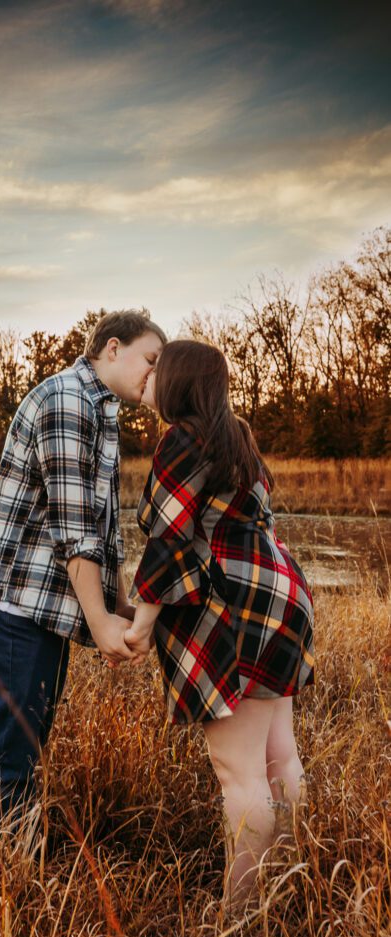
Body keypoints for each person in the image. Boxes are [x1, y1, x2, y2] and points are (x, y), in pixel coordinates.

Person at [123, 339, 314, 908]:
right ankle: (297, 881)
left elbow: (169, 541)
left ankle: (241, 915)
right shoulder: (238, 436)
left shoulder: (183, 438)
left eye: (158, 367)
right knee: (280, 755)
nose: (149, 375)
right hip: (282, 597)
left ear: (178, 381)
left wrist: (139, 626)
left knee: (239, 773)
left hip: (237, 610)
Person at [0, 310, 167, 828]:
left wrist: (119, 605)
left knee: (28, 744)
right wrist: (100, 624)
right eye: (151, 359)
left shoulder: (102, 411)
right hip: (14, 602)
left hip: (42, 606)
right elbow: (72, 527)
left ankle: (12, 861)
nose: (155, 373)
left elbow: (103, 530)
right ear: (113, 348)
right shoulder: (67, 399)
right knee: (12, 752)